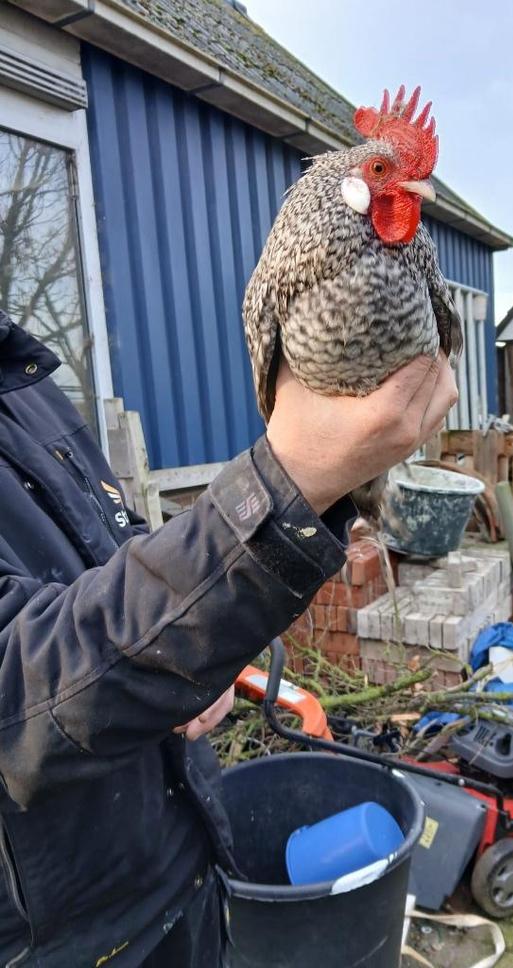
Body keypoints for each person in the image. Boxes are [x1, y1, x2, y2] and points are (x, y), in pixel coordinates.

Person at [0, 308, 457, 967]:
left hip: (184, 863)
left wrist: (196, 648)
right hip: (73, 945)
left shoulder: (23, 382)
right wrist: (286, 482)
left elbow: (115, 552)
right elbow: (18, 697)